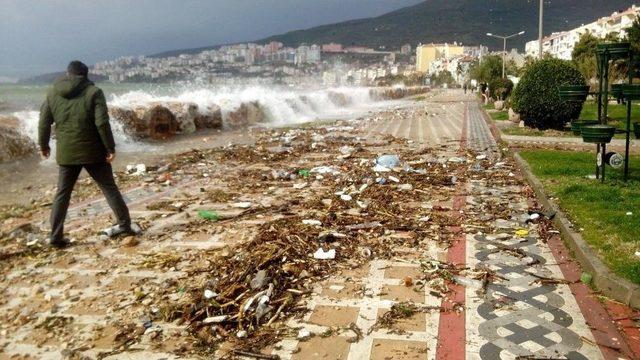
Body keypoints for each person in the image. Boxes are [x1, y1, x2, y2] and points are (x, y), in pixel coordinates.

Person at [39, 61, 139, 249]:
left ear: (68, 74)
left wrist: (43, 145)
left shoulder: (52, 92)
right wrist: (110, 147)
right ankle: (124, 224)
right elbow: (102, 123)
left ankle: (55, 236)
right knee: (108, 187)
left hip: (66, 153)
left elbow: (44, 122)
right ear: (86, 75)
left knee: (62, 193)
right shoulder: (94, 92)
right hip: (93, 151)